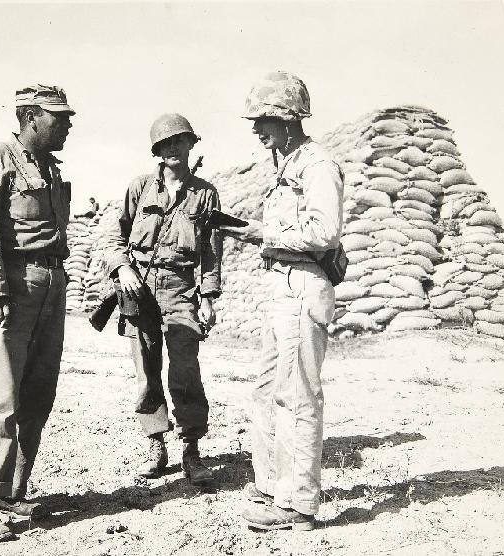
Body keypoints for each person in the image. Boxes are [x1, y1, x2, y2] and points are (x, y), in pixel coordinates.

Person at [220, 72, 343, 531]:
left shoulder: (317, 166)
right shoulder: (286, 166)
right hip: (283, 286)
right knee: (266, 391)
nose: (256, 129)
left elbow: (326, 231)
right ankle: (272, 485)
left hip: (303, 286)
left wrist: (262, 233)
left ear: (288, 119)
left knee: (298, 396)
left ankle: (298, 505)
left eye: (263, 120)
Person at [0, 83, 75, 542]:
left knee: (38, 392)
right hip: (12, 286)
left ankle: (11, 491)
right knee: (1, 394)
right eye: (58, 118)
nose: (67, 125)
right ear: (30, 117)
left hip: (50, 284)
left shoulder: (51, 169)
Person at [105, 113, 222, 486]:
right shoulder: (140, 187)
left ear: (190, 144)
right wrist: (123, 268)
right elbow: (115, 235)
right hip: (138, 286)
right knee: (146, 368)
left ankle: (191, 449)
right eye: (165, 143)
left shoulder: (205, 193)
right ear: (157, 149)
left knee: (185, 368)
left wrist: (208, 296)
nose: (173, 148)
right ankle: (155, 443)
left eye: (179, 140)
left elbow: (211, 251)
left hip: (181, 288)